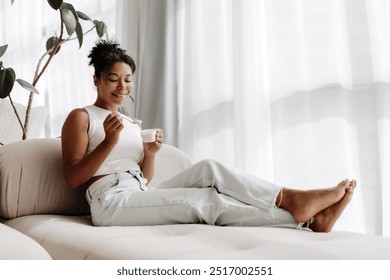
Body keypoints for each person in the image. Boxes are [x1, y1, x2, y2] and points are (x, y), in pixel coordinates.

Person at [61, 39, 356, 232]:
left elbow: (145, 178)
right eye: (113, 79)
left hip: (138, 191)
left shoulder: (131, 122)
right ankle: (305, 222)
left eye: (128, 80)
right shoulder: (82, 116)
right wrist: (109, 143)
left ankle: (288, 198)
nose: (122, 86)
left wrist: (150, 154)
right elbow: (73, 177)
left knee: (208, 169)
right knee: (204, 202)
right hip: (108, 203)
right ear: (96, 80)